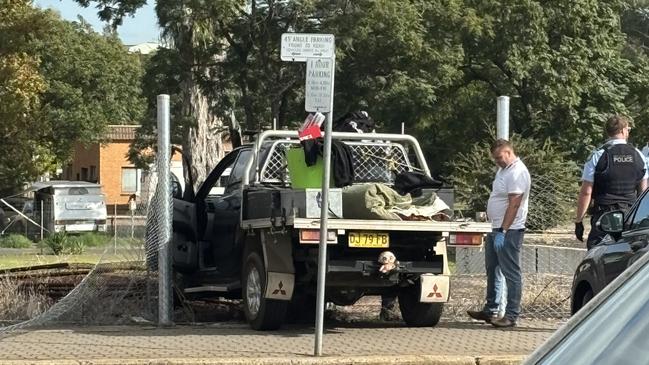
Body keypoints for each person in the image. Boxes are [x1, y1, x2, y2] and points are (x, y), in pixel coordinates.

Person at [467, 139, 531, 328]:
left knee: (511, 272)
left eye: (499, 157)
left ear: (509, 152)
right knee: (493, 268)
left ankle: (511, 315)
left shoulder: (517, 172)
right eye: (495, 159)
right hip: (496, 228)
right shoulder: (504, 170)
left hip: (510, 230)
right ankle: (491, 309)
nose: (497, 161)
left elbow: (515, 203)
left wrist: (503, 229)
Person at [574, 115, 648, 249]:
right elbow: (643, 191)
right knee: (625, 256)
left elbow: (586, 192)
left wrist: (579, 220)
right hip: (629, 216)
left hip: (604, 216)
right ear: (624, 130)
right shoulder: (638, 155)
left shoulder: (598, 155)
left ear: (608, 132)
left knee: (598, 255)